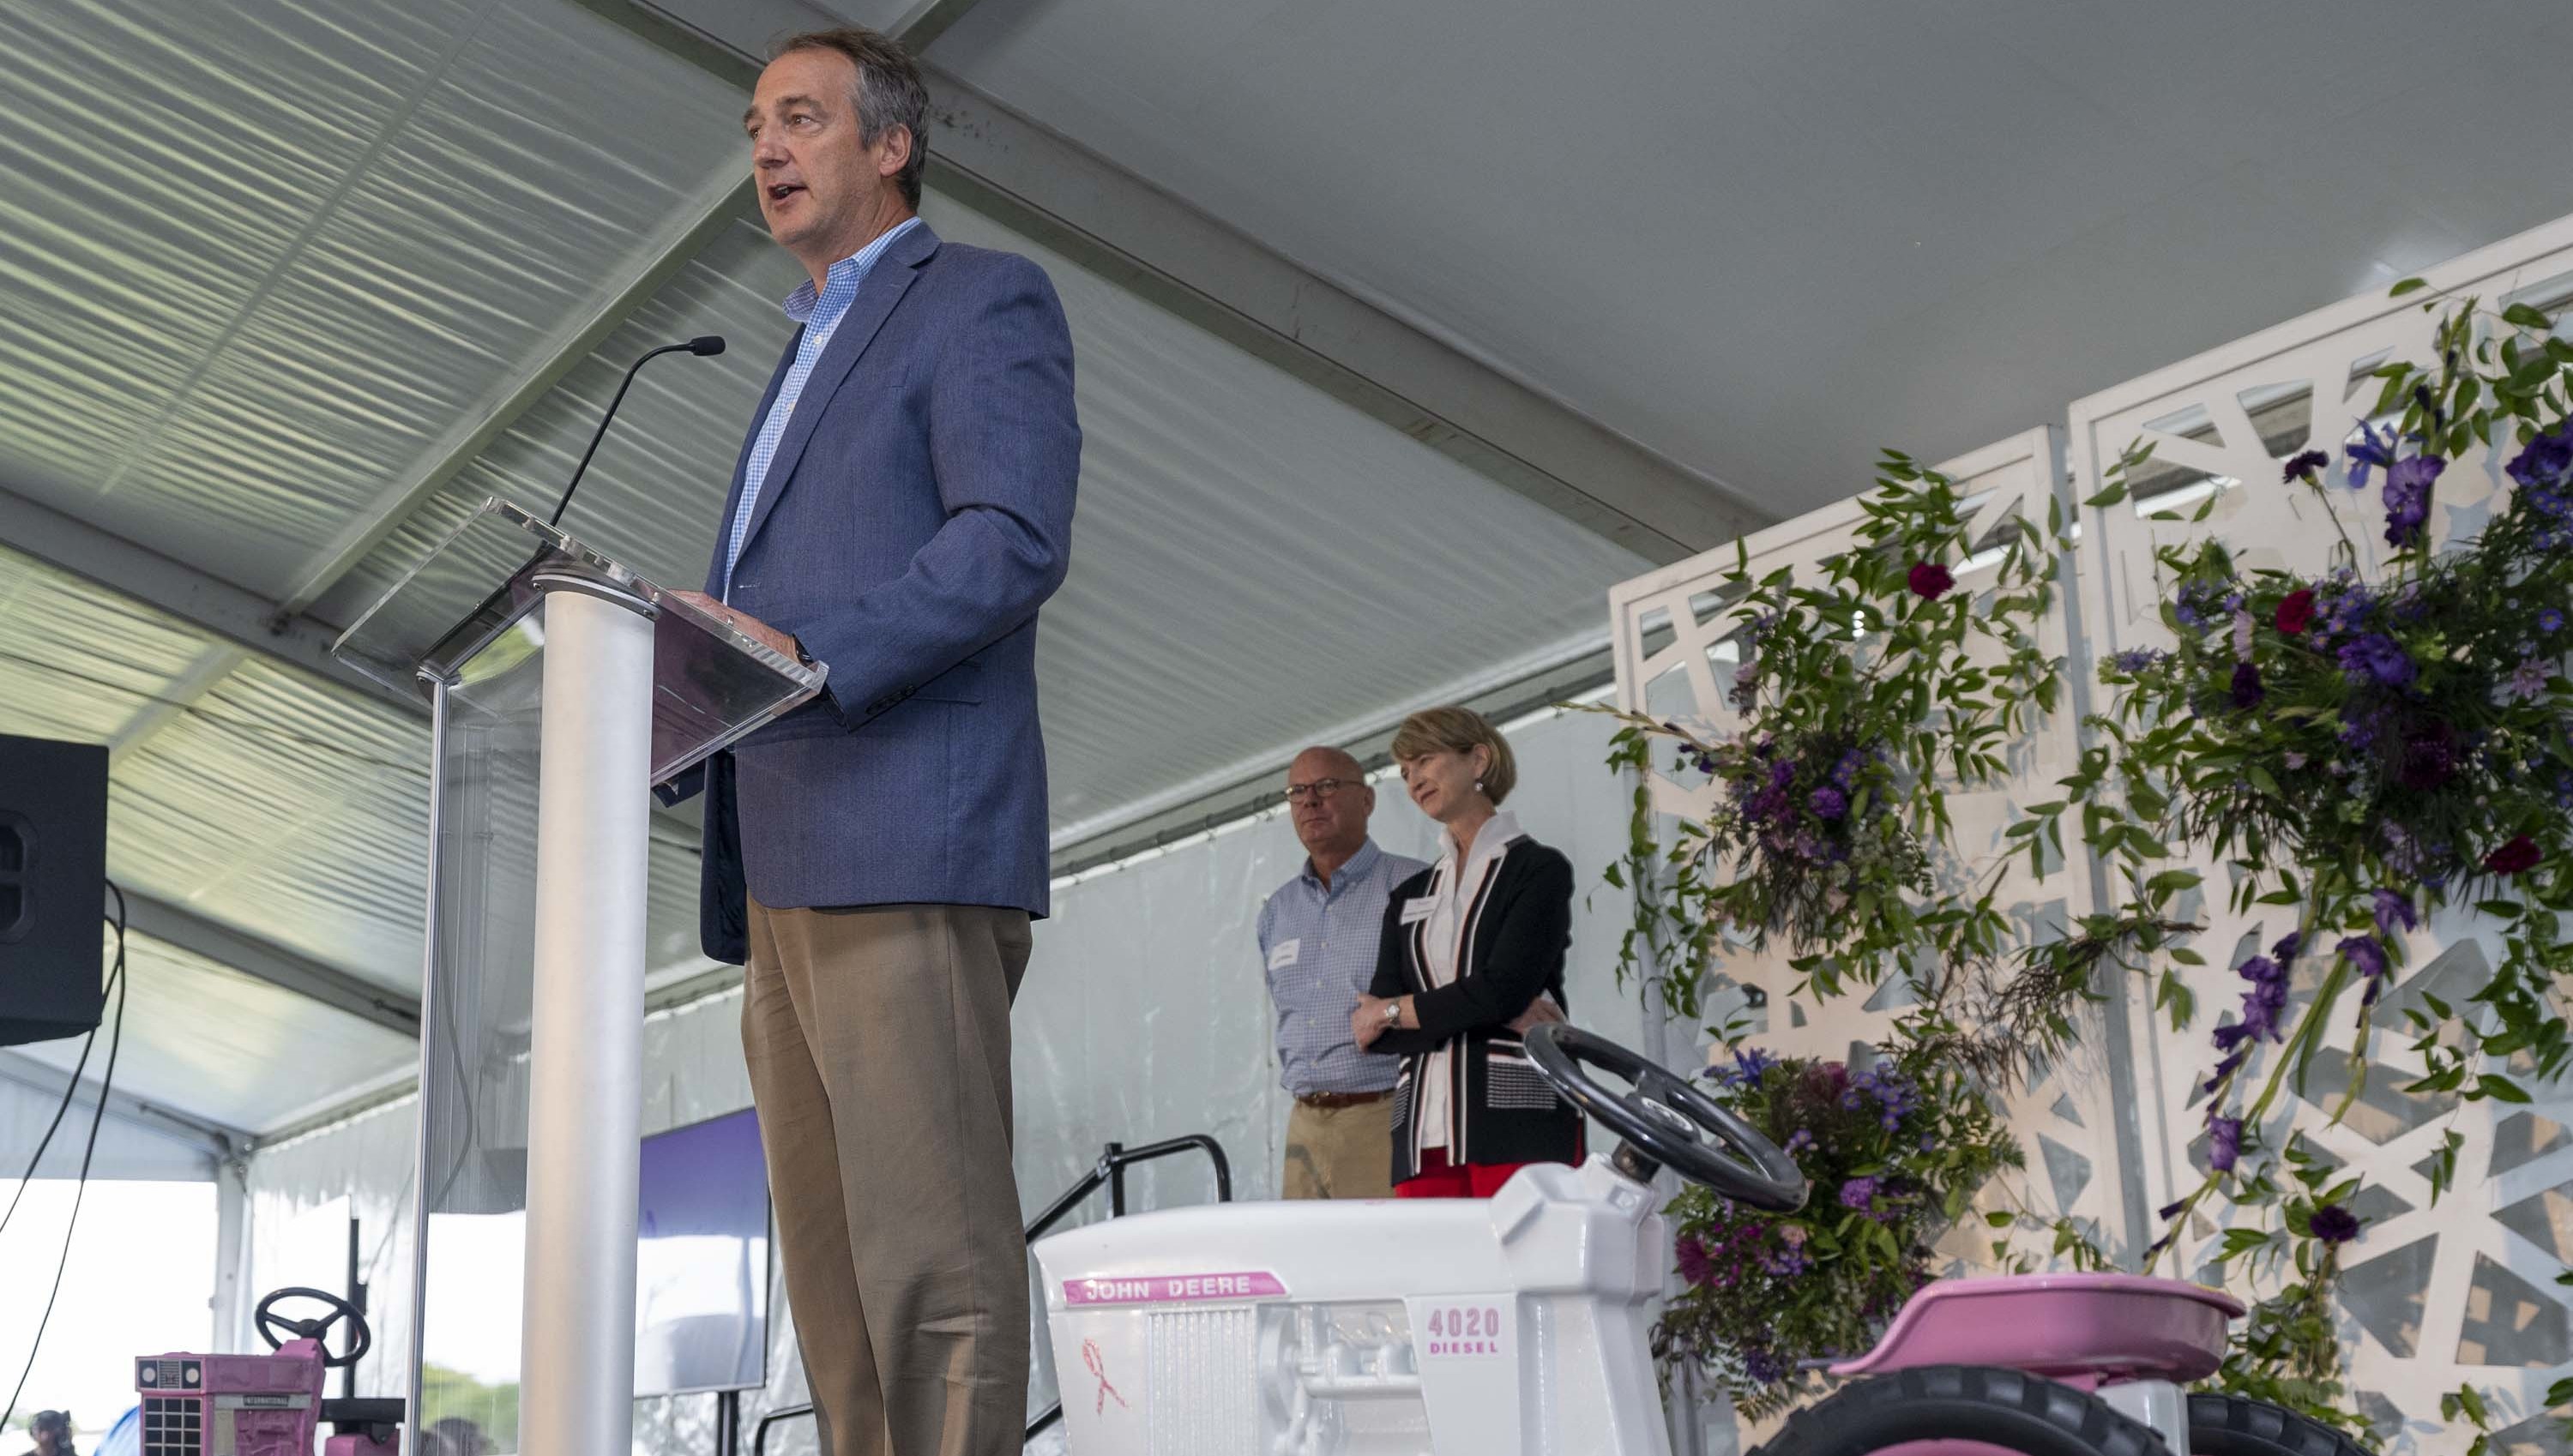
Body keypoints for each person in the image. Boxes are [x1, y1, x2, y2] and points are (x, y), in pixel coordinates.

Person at [656, 23, 1080, 1456]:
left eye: (802, 119)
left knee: (933, 1256)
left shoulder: (978, 302)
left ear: (891, 145)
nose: (766, 149)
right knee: (832, 1278)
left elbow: (1011, 538)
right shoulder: (794, 349)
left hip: (900, 827)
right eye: (756, 125)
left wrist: (815, 659)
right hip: (777, 848)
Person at [1353, 707, 1581, 1197]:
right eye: (1405, 771)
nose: (1414, 780)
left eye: (1425, 760)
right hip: (1421, 1130)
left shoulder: (1537, 869)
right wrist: (1477, 1004)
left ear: (1478, 760)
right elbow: (1380, 1038)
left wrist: (1396, 1011)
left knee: (1529, 1272)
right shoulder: (1410, 893)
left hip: (1515, 1114)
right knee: (1434, 1274)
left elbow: (1504, 988)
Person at [1256, 747, 1427, 1200]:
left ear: (1367, 801)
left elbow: (1444, 998)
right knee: (1305, 1265)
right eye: (1297, 791)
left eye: (1327, 786)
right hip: (1304, 1123)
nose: (1310, 801)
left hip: (1385, 1112)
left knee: (1385, 1264)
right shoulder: (1278, 911)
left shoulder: (1414, 885)